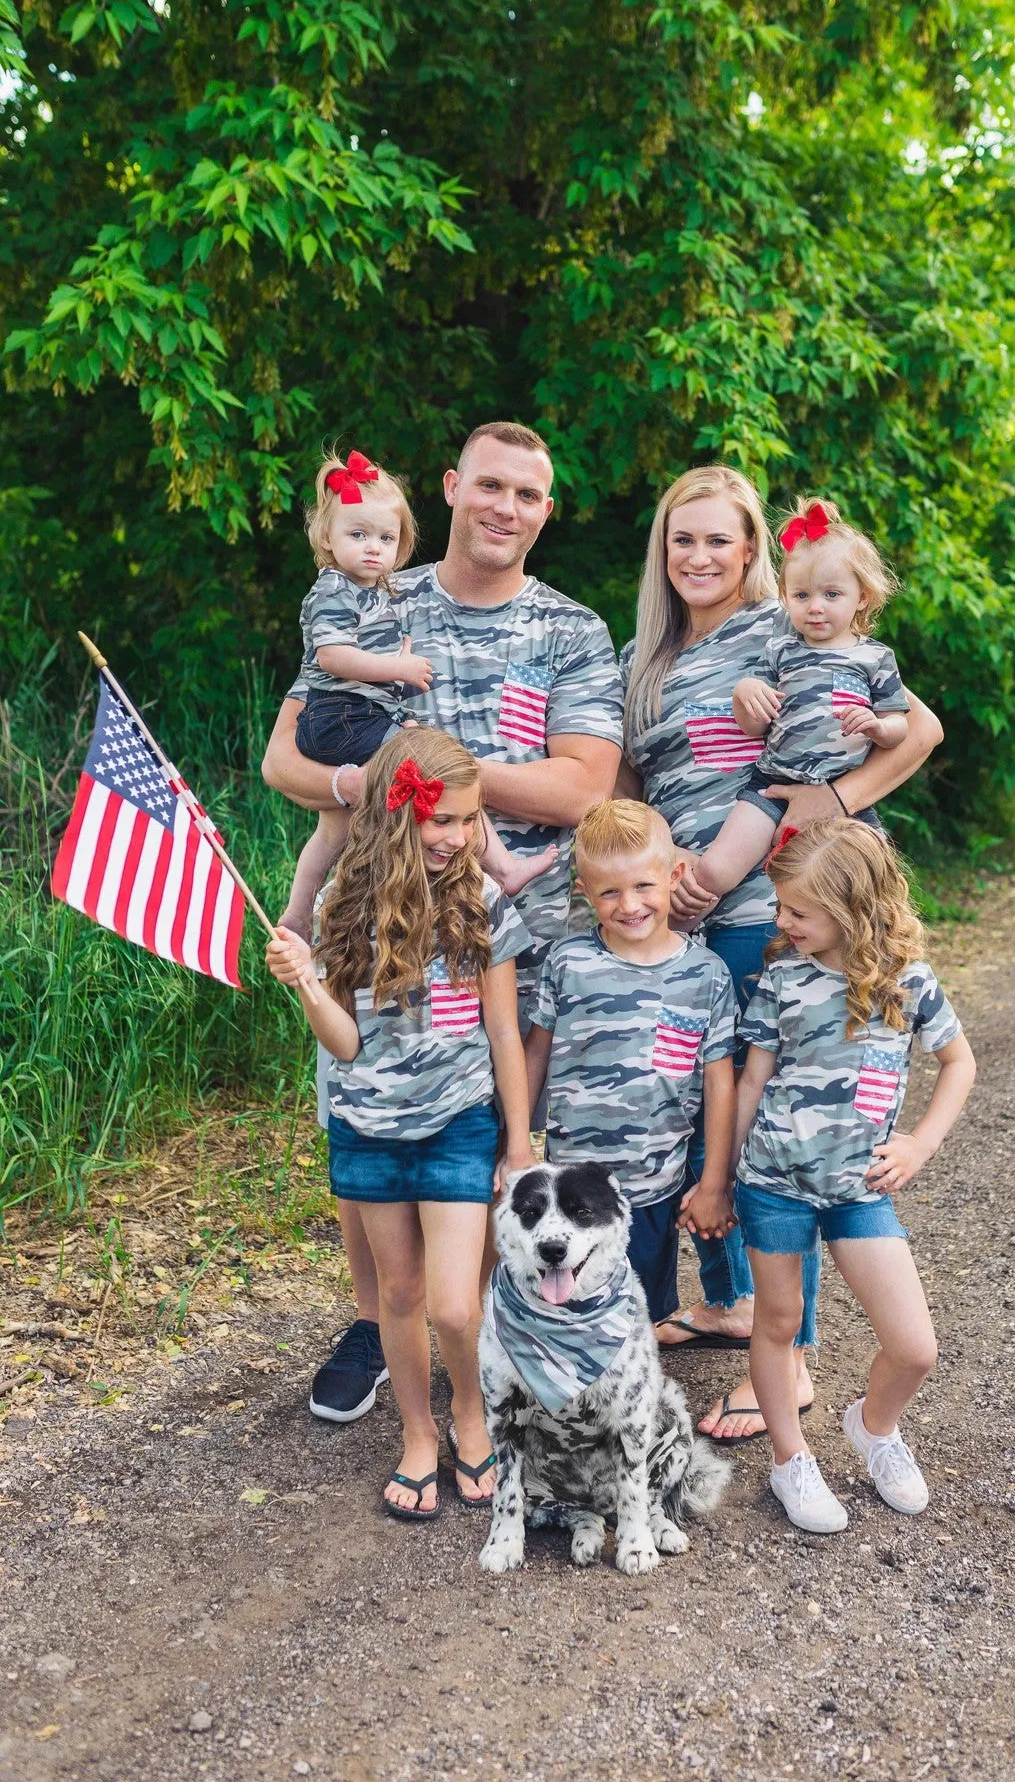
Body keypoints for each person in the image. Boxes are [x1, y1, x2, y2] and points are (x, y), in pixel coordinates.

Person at [262, 422, 624, 1421]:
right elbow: (284, 760)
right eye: (490, 486)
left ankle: (507, 1326)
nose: (506, 507)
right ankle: (379, 1321)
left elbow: (582, 785)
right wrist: (373, 779)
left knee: (504, 1142)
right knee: (364, 1116)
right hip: (376, 928)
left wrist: (436, 771)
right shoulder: (374, 591)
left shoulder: (569, 631)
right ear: (455, 489)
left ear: (547, 512)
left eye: (528, 494)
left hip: (515, 934)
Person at [618, 464, 944, 1443]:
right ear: (663, 550)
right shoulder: (645, 657)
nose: (700, 556)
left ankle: (787, 1361)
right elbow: (636, 786)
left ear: (753, 550)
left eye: (720, 539)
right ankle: (723, 1302)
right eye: (684, 538)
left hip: (777, 907)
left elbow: (918, 728)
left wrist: (833, 802)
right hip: (679, 917)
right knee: (696, 1106)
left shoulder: (791, 626)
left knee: (768, 1127)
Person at [265, 728, 535, 1519]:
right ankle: (418, 1434)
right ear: (396, 812)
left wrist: (517, 1141)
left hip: (457, 1125)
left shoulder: (483, 902)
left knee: (456, 1304)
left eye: (468, 820)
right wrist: (308, 985)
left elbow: (502, 1034)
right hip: (369, 1131)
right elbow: (344, 1042)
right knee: (400, 1293)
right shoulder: (340, 905)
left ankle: (470, 1414)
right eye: (440, 820)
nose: (456, 838)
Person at [707, 819, 975, 1532]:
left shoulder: (909, 981)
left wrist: (918, 1143)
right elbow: (751, 1082)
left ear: (855, 909)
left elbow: (960, 1064)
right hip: (774, 1184)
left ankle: (875, 1428)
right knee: (779, 1323)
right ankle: (791, 1460)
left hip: (861, 1191)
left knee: (915, 1346)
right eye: (780, 906)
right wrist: (726, 1181)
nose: (781, 921)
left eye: (798, 910)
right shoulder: (781, 982)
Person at [282, 446, 556, 938]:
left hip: (363, 716)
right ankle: (504, 865)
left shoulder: (378, 594)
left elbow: (585, 789)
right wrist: (398, 670)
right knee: (441, 766)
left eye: (385, 538)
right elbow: (323, 671)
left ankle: (299, 910)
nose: (372, 548)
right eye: (358, 534)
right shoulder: (340, 589)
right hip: (343, 717)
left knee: (334, 827)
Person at [524, 799, 738, 1321]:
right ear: (584, 892)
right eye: (609, 892)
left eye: (644, 886)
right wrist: (514, 1145)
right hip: (570, 1184)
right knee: (565, 1303)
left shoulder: (707, 975)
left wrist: (713, 1182)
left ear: (674, 875)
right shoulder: (568, 962)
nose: (630, 905)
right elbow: (535, 1054)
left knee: (640, 1313)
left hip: (654, 1184)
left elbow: (721, 1087)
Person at [690, 496, 909, 906]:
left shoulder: (874, 657)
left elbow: (900, 726)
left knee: (880, 888)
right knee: (715, 871)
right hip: (773, 783)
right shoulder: (781, 650)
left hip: (844, 793)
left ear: (861, 597)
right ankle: (678, 943)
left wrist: (879, 727)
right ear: (785, 597)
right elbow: (754, 727)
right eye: (802, 595)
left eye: (831, 594)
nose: (816, 608)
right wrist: (744, 694)